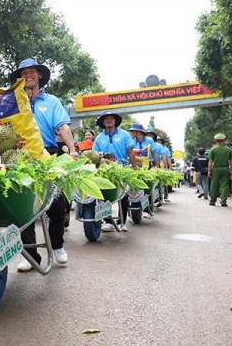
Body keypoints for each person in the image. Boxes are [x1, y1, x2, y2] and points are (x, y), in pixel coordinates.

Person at [7, 58, 77, 272]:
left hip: (49, 154)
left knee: (56, 206)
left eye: (32, 72)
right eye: (24, 72)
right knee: (23, 208)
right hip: (21, 156)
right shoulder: (13, 101)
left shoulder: (52, 101)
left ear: (39, 75)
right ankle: (30, 254)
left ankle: (57, 245)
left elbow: (63, 127)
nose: (28, 75)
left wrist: (72, 150)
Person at [92, 111, 137, 232]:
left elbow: (130, 152)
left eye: (111, 118)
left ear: (115, 121)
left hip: (122, 169)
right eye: (106, 119)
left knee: (122, 196)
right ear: (102, 122)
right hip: (104, 170)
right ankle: (108, 221)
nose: (109, 120)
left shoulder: (124, 135)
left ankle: (122, 222)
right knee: (104, 196)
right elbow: (94, 155)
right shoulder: (99, 138)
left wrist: (135, 168)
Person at [208, 133, 232, 207]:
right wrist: (231, 171)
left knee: (214, 185)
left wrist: (209, 171)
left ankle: (212, 201)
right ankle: (223, 202)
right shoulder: (228, 150)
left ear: (216, 140)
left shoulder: (213, 149)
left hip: (216, 169)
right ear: (223, 140)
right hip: (225, 168)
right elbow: (231, 161)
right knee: (225, 185)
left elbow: (210, 161)